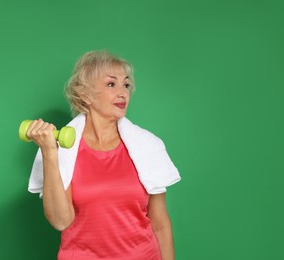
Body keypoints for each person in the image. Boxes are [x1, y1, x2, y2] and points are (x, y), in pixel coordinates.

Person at [26, 50, 181, 260]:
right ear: (85, 95)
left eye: (126, 85)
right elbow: (61, 221)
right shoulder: (65, 150)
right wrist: (49, 152)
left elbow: (160, 224)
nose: (123, 92)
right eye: (111, 84)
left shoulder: (147, 146)